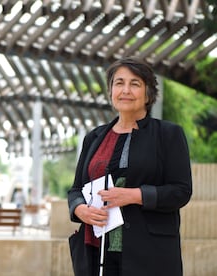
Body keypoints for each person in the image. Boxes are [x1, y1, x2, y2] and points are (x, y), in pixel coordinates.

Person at [67, 57, 192, 276]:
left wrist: (135, 195)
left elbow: (181, 191)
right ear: (111, 90)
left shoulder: (168, 134)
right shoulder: (94, 137)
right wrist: (80, 209)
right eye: (119, 83)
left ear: (148, 93)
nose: (126, 90)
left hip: (149, 254)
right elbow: (76, 189)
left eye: (135, 84)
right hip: (98, 250)